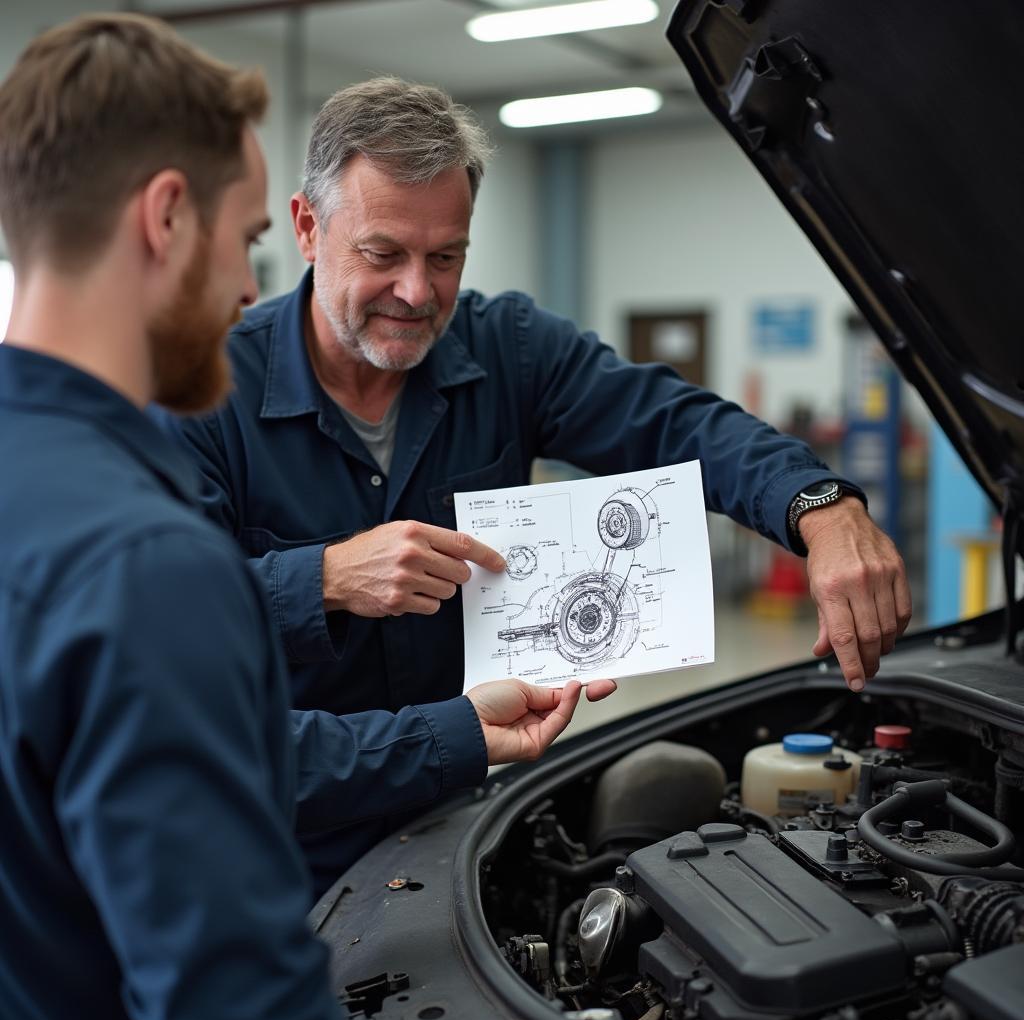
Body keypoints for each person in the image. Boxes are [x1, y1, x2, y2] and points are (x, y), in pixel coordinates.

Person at [0, 18, 614, 1020]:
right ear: (165, 219)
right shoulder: (141, 555)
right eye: (245, 239)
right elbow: (230, 987)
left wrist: (455, 728)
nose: (251, 289)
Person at [154, 75, 912, 723]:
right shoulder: (203, 390)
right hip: (287, 833)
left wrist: (821, 505)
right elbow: (164, 613)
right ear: (309, 228)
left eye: (446, 257)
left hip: (463, 805)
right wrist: (324, 578)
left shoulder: (509, 348)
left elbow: (678, 424)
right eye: (383, 254)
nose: (417, 292)